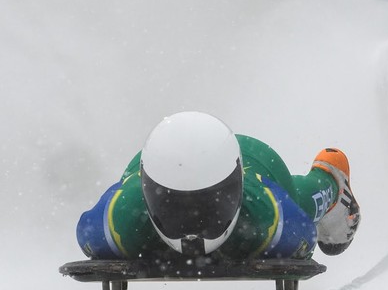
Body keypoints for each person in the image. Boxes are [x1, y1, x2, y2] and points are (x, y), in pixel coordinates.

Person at [76, 111, 360, 261]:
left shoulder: (271, 217)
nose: (192, 223)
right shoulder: (119, 221)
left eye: (206, 205)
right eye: (174, 206)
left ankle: (331, 181)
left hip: (255, 161)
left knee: (298, 200)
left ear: (236, 188)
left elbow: (303, 231)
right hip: (162, 164)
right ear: (147, 190)